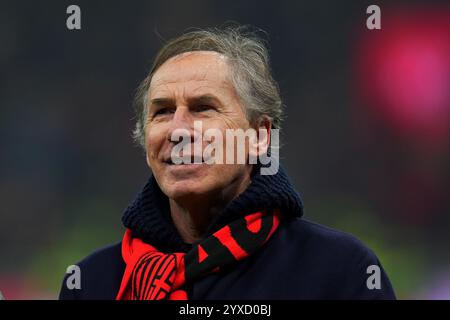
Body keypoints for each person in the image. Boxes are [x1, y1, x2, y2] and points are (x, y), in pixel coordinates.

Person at [59, 26, 396, 300]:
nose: (178, 130)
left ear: (260, 135)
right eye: (162, 112)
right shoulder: (92, 283)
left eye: (203, 107)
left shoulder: (338, 271)